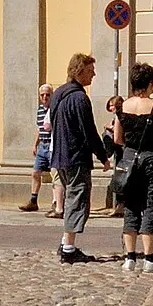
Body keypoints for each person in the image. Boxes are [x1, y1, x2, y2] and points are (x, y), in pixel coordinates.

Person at [47, 51, 112, 264]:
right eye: (91, 72)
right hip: (75, 157)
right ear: (80, 71)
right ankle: (68, 248)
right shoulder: (79, 98)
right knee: (77, 200)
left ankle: (65, 240)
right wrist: (103, 156)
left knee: (70, 199)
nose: (93, 76)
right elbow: (89, 132)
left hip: (59, 156)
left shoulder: (58, 94)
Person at [110, 63, 153, 271]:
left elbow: (117, 139)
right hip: (152, 158)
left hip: (129, 159)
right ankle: (150, 259)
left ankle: (129, 258)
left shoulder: (121, 107)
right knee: (152, 204)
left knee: (131, 205)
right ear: (151, 84)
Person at [20, 81, 62, 215]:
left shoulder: (55, 110)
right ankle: (33, 200)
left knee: (55, 175)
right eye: (42, 95)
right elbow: (39, 129)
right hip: (42, 145)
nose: (45, 97)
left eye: (47, 95)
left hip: (52, 145)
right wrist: (35, 144)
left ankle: (56, 202)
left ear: (52, 95)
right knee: (35, 173)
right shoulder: (39, 111)